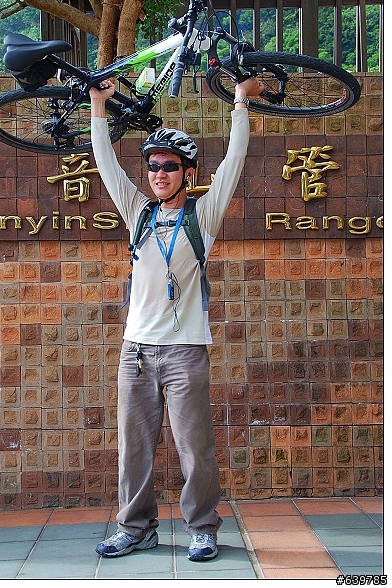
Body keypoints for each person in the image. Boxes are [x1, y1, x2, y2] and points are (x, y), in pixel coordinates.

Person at [89, 75, 264, 562]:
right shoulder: (139, 213)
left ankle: (202, 527)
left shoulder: (202, 216)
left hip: (185, 351)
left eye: (169, 166)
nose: (159, 173)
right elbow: (106, 165)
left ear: (187, 172)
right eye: (152, 166)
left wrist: (239, 104)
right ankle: (135, 527)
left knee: (194, 447)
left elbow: (234, 161)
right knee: (134, 448)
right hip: (136, 353)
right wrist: (98, 108)